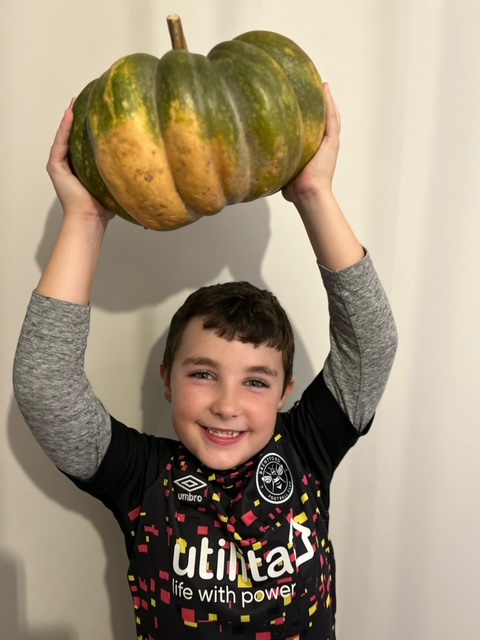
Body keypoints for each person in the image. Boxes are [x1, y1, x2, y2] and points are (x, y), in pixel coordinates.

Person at [13, 84, 397, 639]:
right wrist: (85, 218)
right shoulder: (141, 479)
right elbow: (46, 385)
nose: (226, 404)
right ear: (167, 380)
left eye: (257, 382)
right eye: (202, 373)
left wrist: (314, 193)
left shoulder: (307, 450)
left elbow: (371, 344)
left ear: (287, 391)